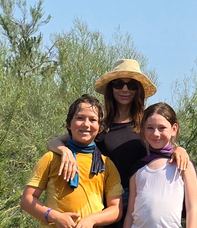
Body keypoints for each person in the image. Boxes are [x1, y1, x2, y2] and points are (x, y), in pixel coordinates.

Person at [47, 59, 189, 227]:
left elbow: (164, 145)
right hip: (107, 202)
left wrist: (179, 149)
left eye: (131, 85)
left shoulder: (146, 124)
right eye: (118, 83)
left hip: (142, 200)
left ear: (139, 90)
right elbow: (54, 142)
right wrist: (65, 152)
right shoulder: (100, 125)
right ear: (110, 88)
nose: (125, 89)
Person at [21, 94, 123, 228]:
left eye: (92, 120)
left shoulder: (106, 164)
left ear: (100, 127)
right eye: (80, 118)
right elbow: (27, 200)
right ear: (69, 124)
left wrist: (92, 220)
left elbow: (116, 209)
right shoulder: (51, 158)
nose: (86, 124)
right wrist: (54, 216)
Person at [123, 102, 197, 228]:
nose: (156, 134)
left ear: (174, 129)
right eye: (150, 128)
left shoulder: (183, 164)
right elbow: (130, 213)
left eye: (162, 128)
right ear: (142, 129)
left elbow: (192, 210)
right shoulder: (138, 169)